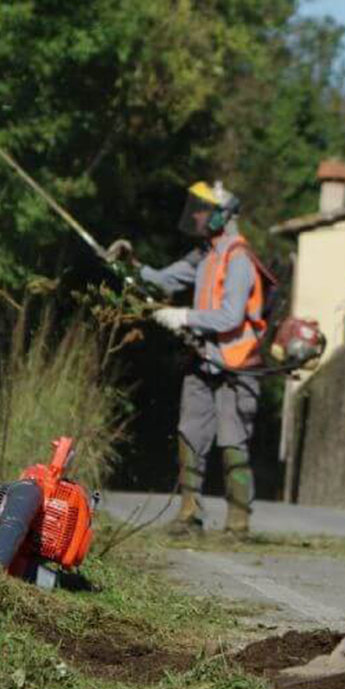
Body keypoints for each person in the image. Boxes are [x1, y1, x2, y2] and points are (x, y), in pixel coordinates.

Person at [108, 181, 267, 537]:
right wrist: (131, 265)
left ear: (222, 216)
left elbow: (230, 317)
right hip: (202, 359)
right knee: (190, 434)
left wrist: (184, 316)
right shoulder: (205, 256)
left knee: (232, 441)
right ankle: (188, 515)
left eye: (203, 209)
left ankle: (238, 524)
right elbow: (163, 280)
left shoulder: (238, 258)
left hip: (235, 367)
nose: (196, 214)